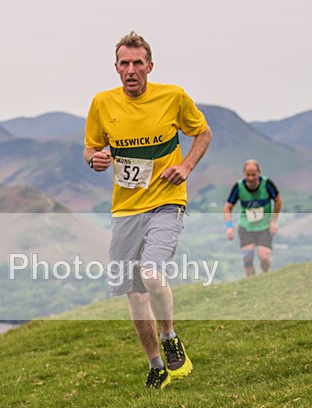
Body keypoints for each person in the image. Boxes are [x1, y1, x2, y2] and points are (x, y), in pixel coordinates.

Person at [84, 31, 212, 389]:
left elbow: (202, 133)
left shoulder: (172, 97)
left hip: (167, 201)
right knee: (134, 290)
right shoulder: (102, 103)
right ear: (116, 68)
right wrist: (96, 159)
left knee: (152, 274)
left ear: (149, 66)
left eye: (137, 63)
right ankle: (156, 365)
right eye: (124, 63)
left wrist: (185, 167)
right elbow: (91, 149)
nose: (131, 70)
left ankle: (169, 336)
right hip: (125, 209)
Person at [223, 160, 282, 276]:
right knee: (247, 257)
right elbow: (227, 207)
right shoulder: (238, 187)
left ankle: (266, 275)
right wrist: (229, 227)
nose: (250, 178)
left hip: (264, 227)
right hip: (246, 227)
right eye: (248, 175)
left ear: (259, 173)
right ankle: (252, 283)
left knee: (264, 257)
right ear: (244, 174)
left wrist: (273, 221)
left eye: (253, 175)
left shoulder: (267, 184)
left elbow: (278, 200)